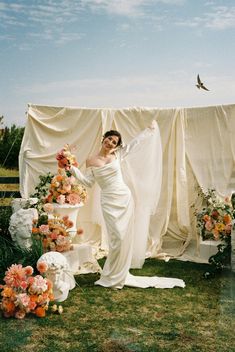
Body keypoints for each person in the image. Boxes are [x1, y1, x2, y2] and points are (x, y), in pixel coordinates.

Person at [58, 120, 185, 289]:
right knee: (116, 238)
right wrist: (72, 168)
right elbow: (88, 182)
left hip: (124, 199)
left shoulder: (117, 155)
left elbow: (134, 144)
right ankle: (112, 273)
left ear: (116, 146)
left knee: (123, 238)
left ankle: (119, 274)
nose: (110, 143)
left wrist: (148, 130)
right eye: (109, 139)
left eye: (114, 142)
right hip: (108, 202)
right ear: (104, 138)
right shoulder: (91, 160)